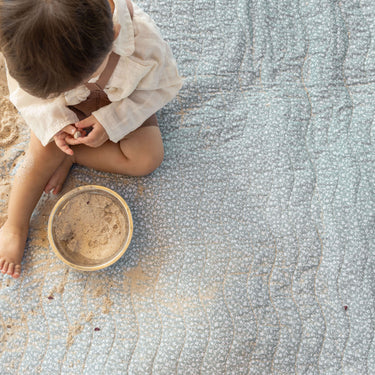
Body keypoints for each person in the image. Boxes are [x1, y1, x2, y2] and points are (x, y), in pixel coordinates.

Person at [0, 0, 183, 278]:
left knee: (148, 158)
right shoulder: (20, 40)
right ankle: (14, 225)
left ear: (114, 36)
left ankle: (68, 155)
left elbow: (160, 88)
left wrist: (111, 122)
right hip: (62, 110)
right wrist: (56, 122)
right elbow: (27, 95)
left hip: (122, 102)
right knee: (40, 156)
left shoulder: (143, 44)